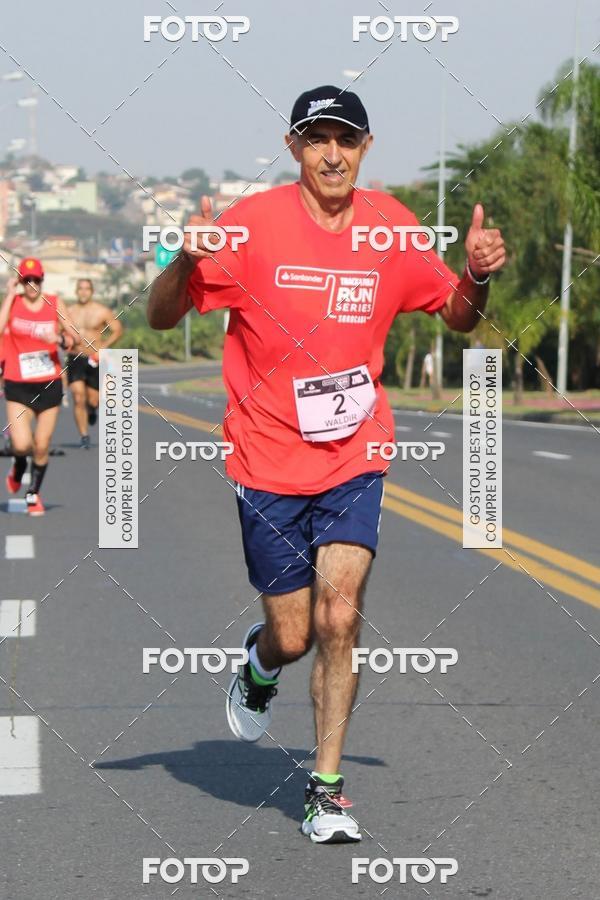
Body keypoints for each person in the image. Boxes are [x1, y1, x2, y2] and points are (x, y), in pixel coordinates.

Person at [147, 85, 506, 844]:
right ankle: (258, 665)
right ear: (294, 149)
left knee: (339, 616)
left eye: (346, 139)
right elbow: (161, 314)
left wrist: (475, 275)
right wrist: (184, 259)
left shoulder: (393, 230)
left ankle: (326, 790)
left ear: (366, 149)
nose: (333, 153)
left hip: (355, 450)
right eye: (317, 140)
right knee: (294, 634)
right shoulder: (249, 227)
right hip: (266, 456)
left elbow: (457, 316)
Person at [0, 258, 74, 515]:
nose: (32, 285)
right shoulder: (14, 303)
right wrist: (9, 296)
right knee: (21, 445)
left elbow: (74, 336)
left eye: (36, 280)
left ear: (42, 280)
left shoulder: (54, 303)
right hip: (18, 384)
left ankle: (33, 494)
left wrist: (60, 338)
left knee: (41, 444)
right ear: (20, 282)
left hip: (48, 383)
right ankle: (19, 467)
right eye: (26, 280)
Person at [66, 278, 123, 448]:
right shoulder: (68, 312)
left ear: (92, 291)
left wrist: (103, 348)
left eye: (87, 289)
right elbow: (59, 331)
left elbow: (117, 330)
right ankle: (84, 436)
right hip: (75, 357)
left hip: (94, 358)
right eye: (80, 289)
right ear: (76, 291)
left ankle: (91, 410)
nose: (83, 292)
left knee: (93, 400)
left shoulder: (102, 311)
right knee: (77, 396)